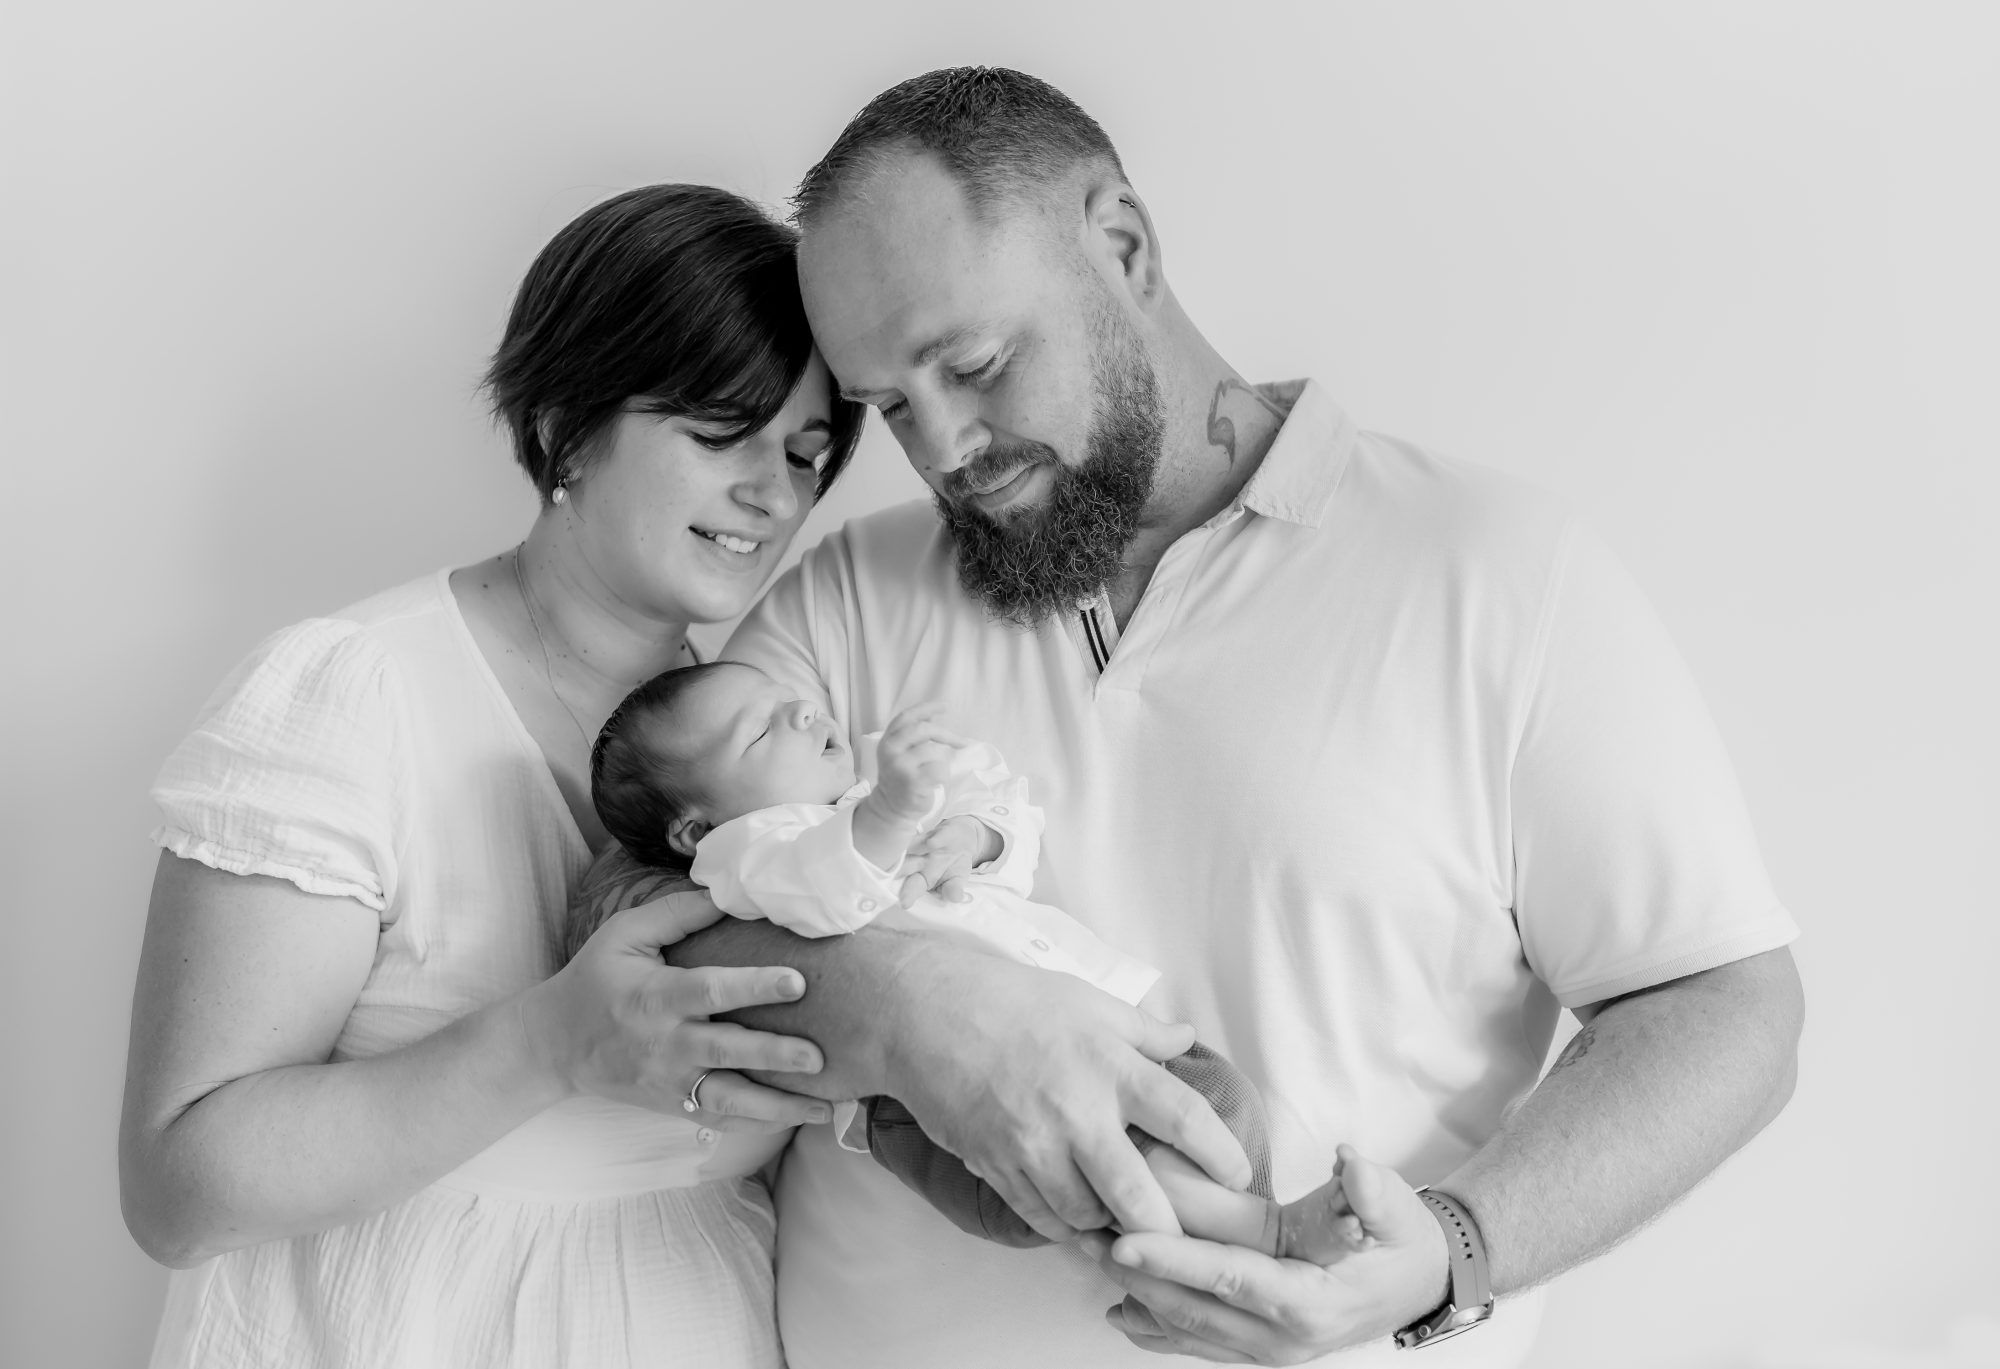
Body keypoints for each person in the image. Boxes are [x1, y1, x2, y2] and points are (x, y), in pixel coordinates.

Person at [584, 67, 1805, 1367]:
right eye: (888, 406)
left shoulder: (1499, 575)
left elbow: (1720, 1002)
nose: (941, 448)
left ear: (1122, 245)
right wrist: (908, 1004)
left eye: (975, 364)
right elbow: (624, 907)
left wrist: (1451, 1249)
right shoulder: (846, 598)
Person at [117, 184, 866, 1368]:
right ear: (567, 425)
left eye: (804, 454)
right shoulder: (355, 695)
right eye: (720, 434)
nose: (772, 493)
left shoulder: (779, 752)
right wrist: (550, 1041)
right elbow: (178, 1191)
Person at [575, 660, 1292, 1246]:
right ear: (695, 830)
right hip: (929, 1112)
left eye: (788, 698)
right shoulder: (747, 853)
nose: (802, 713)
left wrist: (976, 834)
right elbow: (823, 891)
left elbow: (998, 793)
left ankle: (1248, 1239)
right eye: (761, 731)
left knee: (1223, 1100)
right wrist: (888, 812)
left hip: (1083, 1028)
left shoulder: (873, 779)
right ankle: (1262, 1243)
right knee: (1121, 1168)